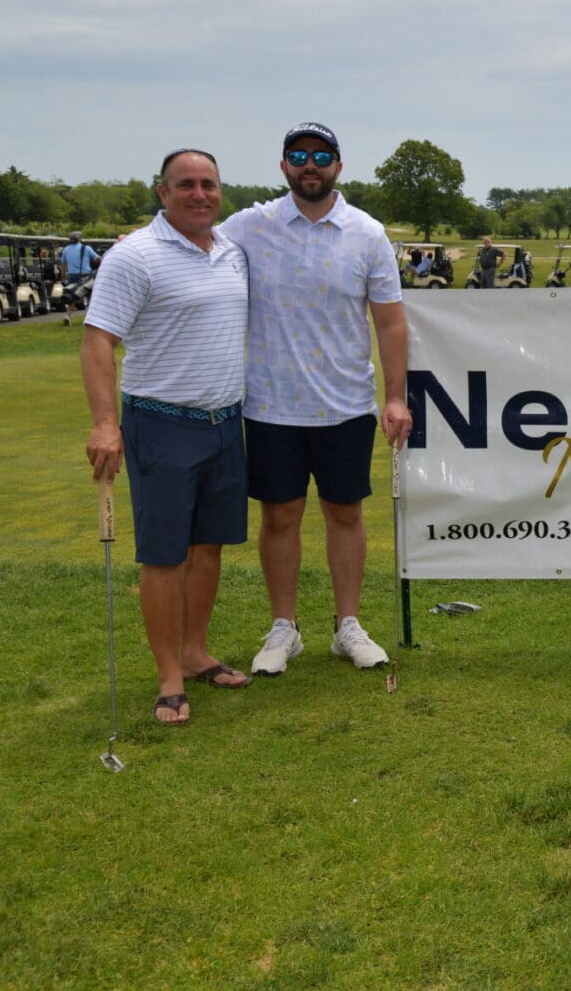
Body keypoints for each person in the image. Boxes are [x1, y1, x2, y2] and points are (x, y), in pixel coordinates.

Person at [219, 122, 411, 679]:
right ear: (283, 167)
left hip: (345, 404)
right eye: (298, 155)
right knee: (280, 516)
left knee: (344, 513)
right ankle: (285, 627)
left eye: (321, 156)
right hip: (270, 405)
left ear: (338, 167)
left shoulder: (367, 233)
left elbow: (391, 324)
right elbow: (194, 247)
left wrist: (394, 398)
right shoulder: (249, 227)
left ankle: (347, 625)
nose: (310, 165)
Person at [80, 149, 253, 726]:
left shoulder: (231, 251)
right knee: (164, 555)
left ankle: (195, 651)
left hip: (225, 423)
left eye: (208, 184)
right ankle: (169, 677)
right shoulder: (135, 256)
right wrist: (106, 424)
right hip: (160, 422)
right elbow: (98, 341)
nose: (199, 194)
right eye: (186, 185)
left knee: (209, 547)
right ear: (162, 191)